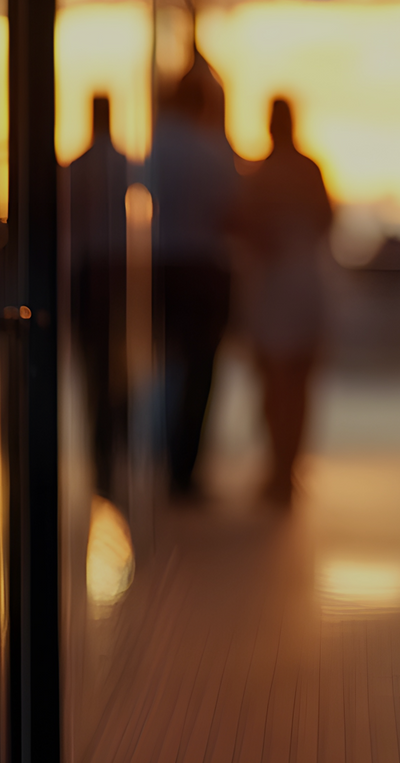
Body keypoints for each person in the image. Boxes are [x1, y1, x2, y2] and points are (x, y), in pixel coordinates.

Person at [232, 98, 332, 507]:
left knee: (276, 379)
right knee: (295, 378)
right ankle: (286, 466)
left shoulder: (259, 172)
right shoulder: (307, 169)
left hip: (276, 279)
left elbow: (244, 225)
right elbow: (327, 220)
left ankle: (281, 467)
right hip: (299, 276)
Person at [150, 61, 239, 499]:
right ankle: (183, 467)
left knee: (165, 365)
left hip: (163, 267)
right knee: (200, 370)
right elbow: (234, 215)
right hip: (204, 270)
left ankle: (161, 454)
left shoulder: (155, 147)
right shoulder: (212, 152)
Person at [67, 95, 129, 501]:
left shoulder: (77, 166)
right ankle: (110, 453)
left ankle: (101, 454)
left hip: (88, 271)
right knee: (115, 368)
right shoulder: (124, 164)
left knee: (93, 368)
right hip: (114, 271)